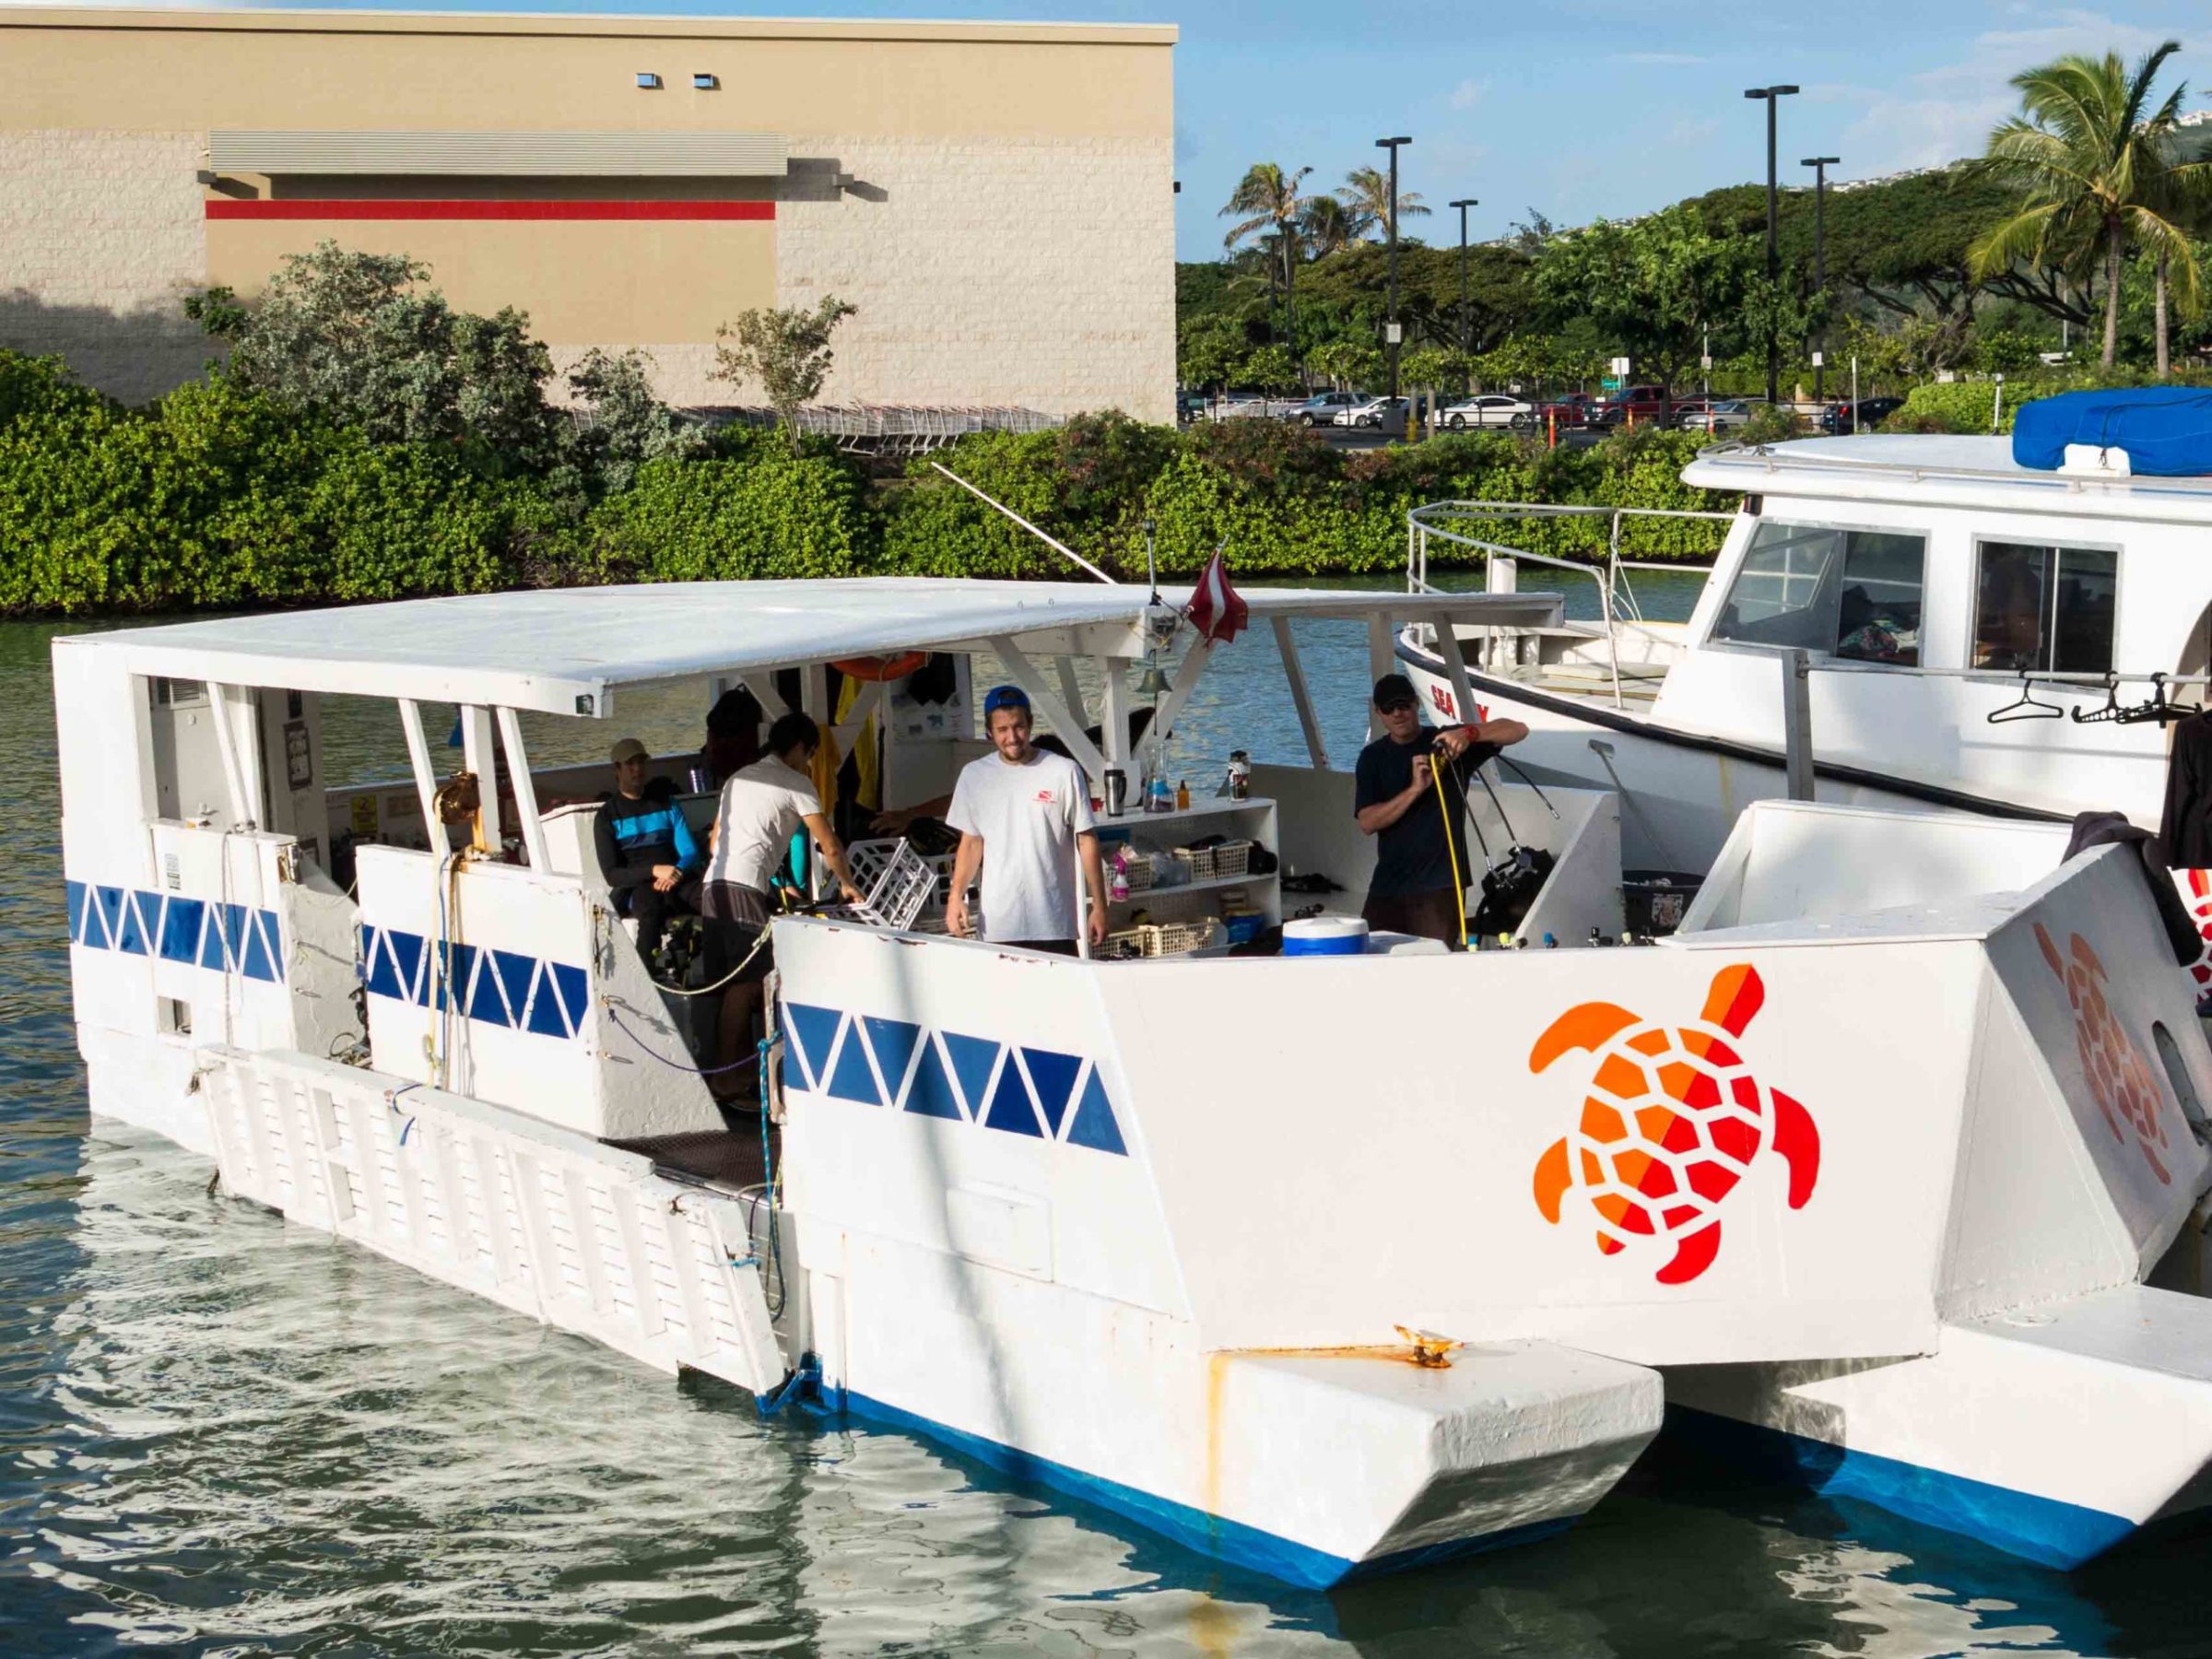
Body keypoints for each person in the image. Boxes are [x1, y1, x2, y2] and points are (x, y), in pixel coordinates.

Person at [701, 711, 865, 1100]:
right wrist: (846, 884)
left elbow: (714, 842)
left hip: (713, 887)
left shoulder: (739, 779)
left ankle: (732, 1074)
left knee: (725, 985)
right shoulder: (797, 783)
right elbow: (829, 844)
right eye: (809, 754)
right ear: (799, 748)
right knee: (746, 985)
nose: (809, 762)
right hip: (743, 888)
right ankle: (729, 1079)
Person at [1354, 673, 1528, 948]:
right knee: (1368, 956)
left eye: (1404, 705)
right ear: (1378, 713)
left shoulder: (1449, 740)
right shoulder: (1372, 757)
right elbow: (1367, 822)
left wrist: (1470, 733)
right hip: (1387, 884)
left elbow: (1518, 729)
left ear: (1416, 705)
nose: (1397, 713)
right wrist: (1415, 789)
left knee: (1434, 962)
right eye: (1389, 708)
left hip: (1440, 884)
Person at [944, 686, 1108, 956]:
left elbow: (1086, 839)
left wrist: (1099, 907)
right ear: (989, 732)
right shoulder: (974, 775)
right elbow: (971, 843)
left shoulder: (1063, 771)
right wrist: (955, 897)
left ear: (1030, 724)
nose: (1012, 737)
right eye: (1002, 730)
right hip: (998, 925)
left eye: (1018, 727)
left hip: (1054, 923)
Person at [594, 738, 703, 959]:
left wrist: (676, 871)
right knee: (651, 913)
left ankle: (723, 970)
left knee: (715, 900)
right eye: (630, 764)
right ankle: (648, 978)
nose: (637, 770)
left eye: (641, 763)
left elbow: (690, 851)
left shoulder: (667, 802)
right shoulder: (607, 816)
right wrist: (654, 871)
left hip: (677, 878)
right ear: (617, 769)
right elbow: (612, 875)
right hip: (639, 886)